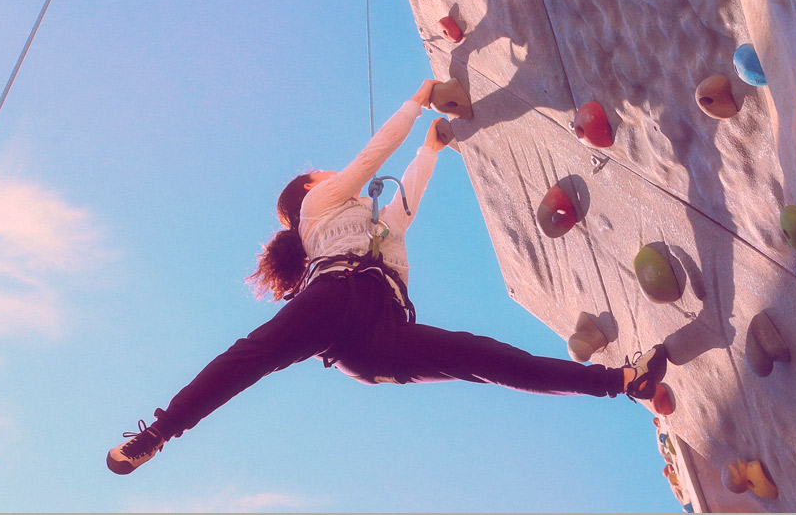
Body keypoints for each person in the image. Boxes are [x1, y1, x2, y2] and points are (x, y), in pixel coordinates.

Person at [106, 79, 668, 475]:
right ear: (309, 185)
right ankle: (159, 432)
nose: (328, 170)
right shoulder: (316, 206)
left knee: (487, 357)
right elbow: (372, 158)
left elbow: (403, 210)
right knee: (252, 355)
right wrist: (417, 101)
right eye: (319, 171)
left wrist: (431, 150)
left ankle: (620, 383)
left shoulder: (366, 222)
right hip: (339, 304)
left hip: (378, 328)